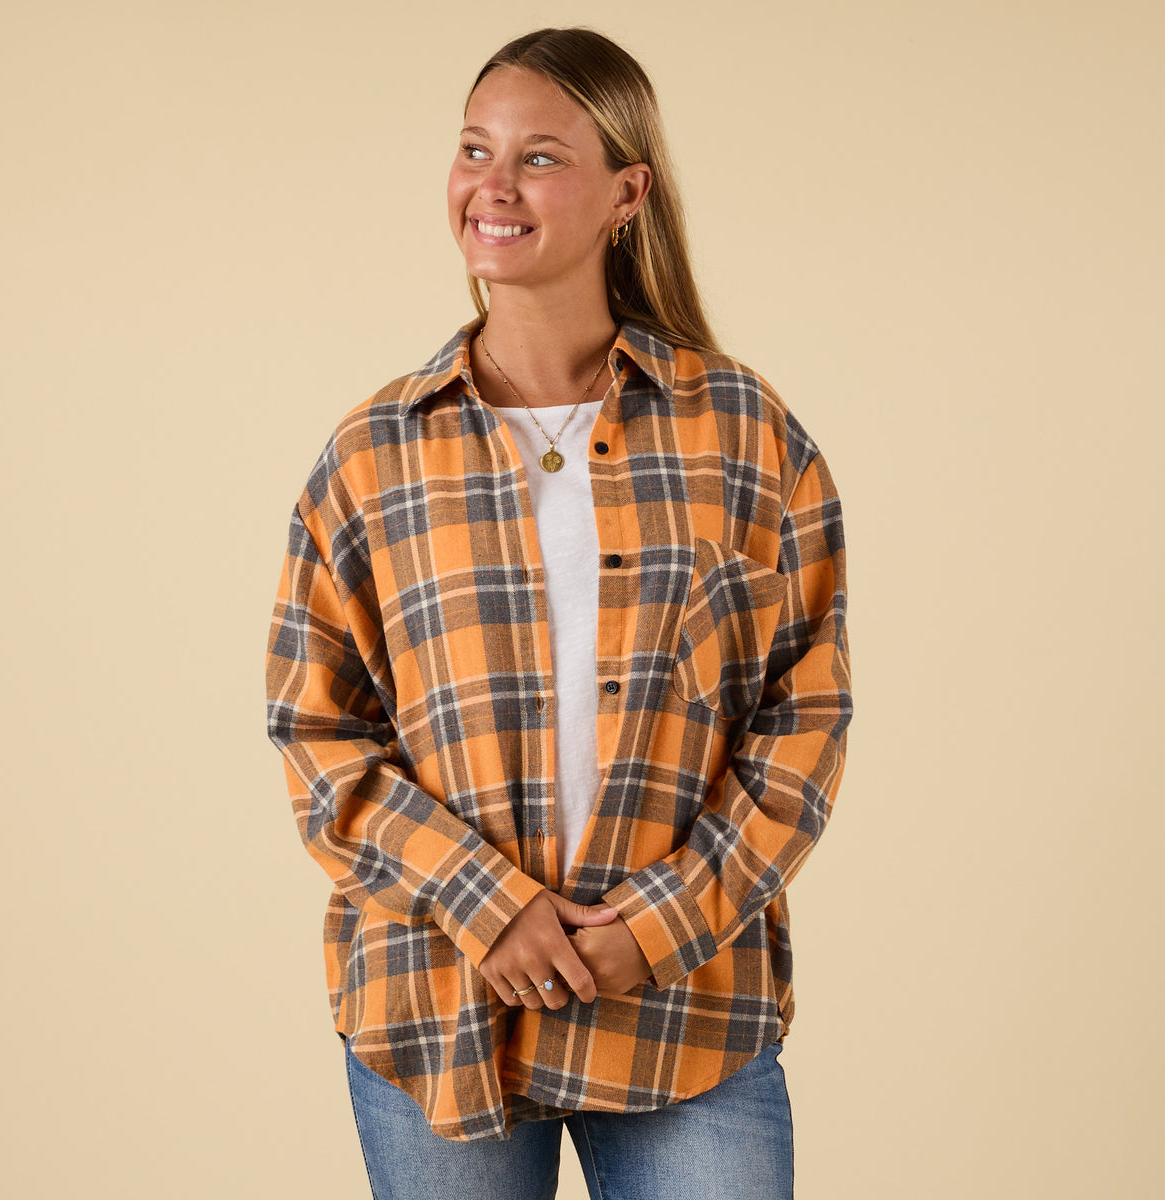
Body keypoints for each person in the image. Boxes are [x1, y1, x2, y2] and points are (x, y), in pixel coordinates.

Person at [265, 26, 851, 1200]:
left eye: (540, 157)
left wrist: (660, 920)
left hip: (685, 1008)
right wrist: (489, 906)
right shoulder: (375, 453)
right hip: (440, 1007)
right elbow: (319, 737)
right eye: (475, 149)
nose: (493, 185)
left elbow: (807, 710)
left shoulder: (740, 429)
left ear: (626, 192)